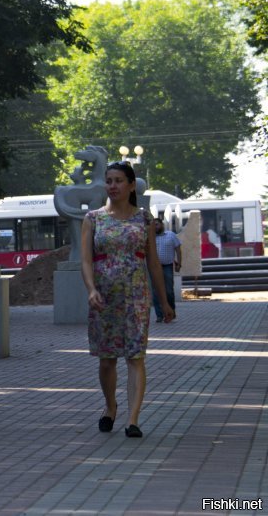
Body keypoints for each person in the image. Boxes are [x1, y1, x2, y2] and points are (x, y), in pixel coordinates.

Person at [80, 161, 174, 439]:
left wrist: (164, 301)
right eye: (109, 180)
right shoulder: (93, 219)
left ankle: (133, 419)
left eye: (119, 180)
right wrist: (91, 289)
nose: (113, 186)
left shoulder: (143, 219)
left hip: (136, 298)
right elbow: (85, 260)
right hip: (104, 298)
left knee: (135, 357)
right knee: (107, 360)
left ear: (131, 185)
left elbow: (154, 265)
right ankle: (111, 407)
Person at [152, 218, 182, 323]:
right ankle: (159, 315)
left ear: (161, 224)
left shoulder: (171, 235)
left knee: (169, 290)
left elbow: (178, 249)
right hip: (155, 267)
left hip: (167, 266)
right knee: (155, 292)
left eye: (157, 224)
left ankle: (171, 312)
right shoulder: (151, 237)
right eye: (153, 225)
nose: (155, 227)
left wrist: (179, 263)